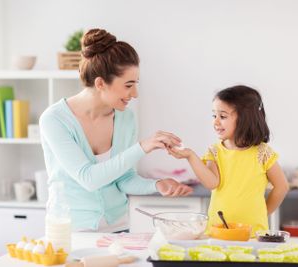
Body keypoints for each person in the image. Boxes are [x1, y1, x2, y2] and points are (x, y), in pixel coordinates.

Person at [39, 28, 193, 232]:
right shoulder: (55, 120)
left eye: (135, 84)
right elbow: (89, 178)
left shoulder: (126, 118)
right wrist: (142, 147)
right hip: (72, 231)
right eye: (128, 85)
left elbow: (123, 178)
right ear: (101, 83)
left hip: (119, 229)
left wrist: (156, 185)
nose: (135, 93)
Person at [167, 85, 289, 234]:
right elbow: (212, 183)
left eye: (223, 116)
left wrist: (263, 213)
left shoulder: (263, 153)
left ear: (245, 119)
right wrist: (190, 156)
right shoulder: (215, 151)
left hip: (253, 234)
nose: (216, 122)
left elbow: (282, 186)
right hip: (218, 232)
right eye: (214, 116)